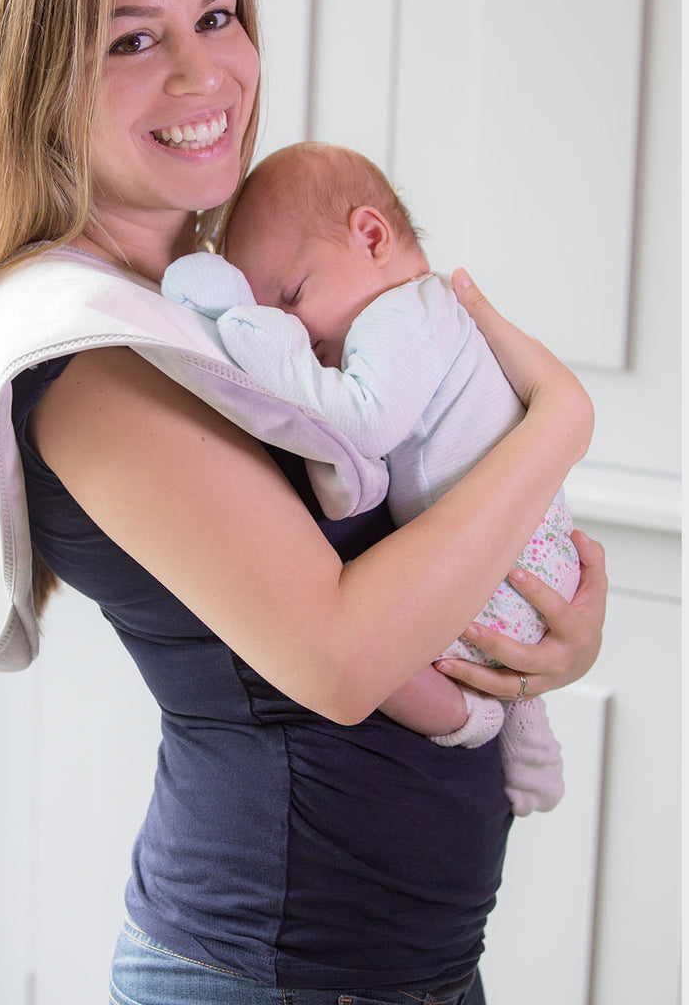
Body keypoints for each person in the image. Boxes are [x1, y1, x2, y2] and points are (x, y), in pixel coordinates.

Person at [0, 0, 606, 1004]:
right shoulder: (89, 352)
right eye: (133, 40)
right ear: (31, 79)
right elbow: (340, 657)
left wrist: (542, 647)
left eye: (218, 17)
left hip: (404, 966)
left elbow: (423, 522)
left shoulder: (224, 296)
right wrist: (562, 424)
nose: (205, 75)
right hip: (269, 972)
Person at [163, 141, 580, 816]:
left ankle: (471, 719)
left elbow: (362, 424)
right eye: (277, 311)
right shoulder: (430, 317)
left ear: (372, 236)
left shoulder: (402, 315)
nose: (297, 327)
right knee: (501, 660)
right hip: (532, 559)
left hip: (509, 572)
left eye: (293, 295)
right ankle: (530, 741)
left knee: (382, 658)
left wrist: (246, 323)